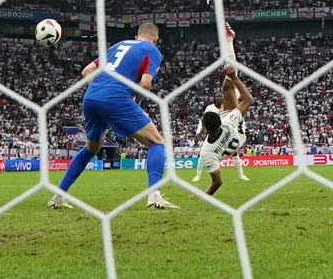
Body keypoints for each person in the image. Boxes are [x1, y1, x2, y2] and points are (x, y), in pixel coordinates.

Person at [48, 23, 179, 210]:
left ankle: (58, 197)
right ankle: (154, 196)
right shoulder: (152, 50)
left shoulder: (116, 46)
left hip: (91, 97)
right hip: (116, 98)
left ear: (136, 36)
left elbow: (86, 72)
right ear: (155, 39)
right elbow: (146, 84)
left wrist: (103, 88)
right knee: (157, 142)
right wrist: (133, 101)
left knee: (92, 148)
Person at [192, 23, 249, 183]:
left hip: (228, 138)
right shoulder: (221, 116)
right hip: (231, 129)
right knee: (228, 83)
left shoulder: (207, 149)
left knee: (227, 85)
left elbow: (217, 183)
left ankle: (229, 40)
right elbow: (248, 100)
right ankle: (229, 40)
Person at [199, 65, 253, 196]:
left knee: (226, 89)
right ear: (219, 117)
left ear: (204, 129)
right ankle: (230, 63)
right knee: (227, 87)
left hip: (232, 143)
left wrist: (203, 195)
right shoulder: (227, 122)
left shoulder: (206, 152)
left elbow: (217, 183)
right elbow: (249, 100)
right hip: (235, 132)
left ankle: (230, 62)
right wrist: (234, 77)